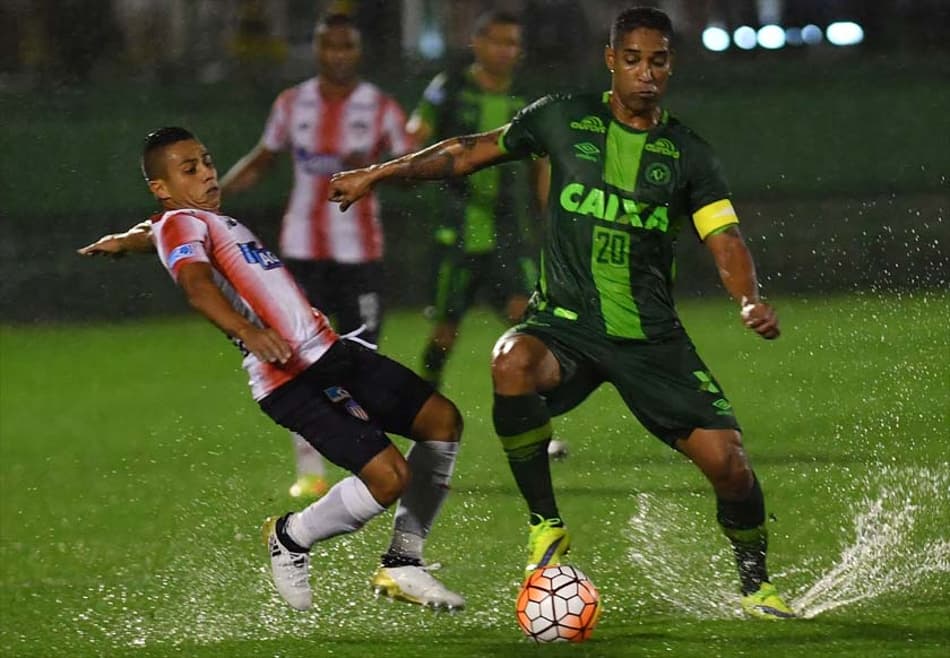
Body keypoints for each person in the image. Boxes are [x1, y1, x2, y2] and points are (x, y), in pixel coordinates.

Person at [328, 7, 795, 620]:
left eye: (657, 61)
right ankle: (545, 525)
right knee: (510, 360)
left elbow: (724, 238)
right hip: (565, 327)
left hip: (649, 339)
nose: (645, 73)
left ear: (670, 65)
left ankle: (756, 583)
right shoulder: (561, 116)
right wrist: (379, 173)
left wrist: (747, 298)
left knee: (729, 466)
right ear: (611, 61)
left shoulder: (688, 155)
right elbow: (467, 152)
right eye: (632, 59)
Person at [78, 127, 465, 612]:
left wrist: (123, 240)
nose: (208, 173)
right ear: (162, 187)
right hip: (290, 376)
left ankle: (404, 563)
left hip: (330, 352)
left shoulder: (190, 221)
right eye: (190, 169)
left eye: (207, 160)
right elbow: (196, 286)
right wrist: (248, 331)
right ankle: (292, 536)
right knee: (389, 479)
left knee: (441, 421)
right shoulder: (182, 223)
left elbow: (152, 232)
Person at [220, 13, 413, 499]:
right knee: (296, 359)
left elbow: (411, 163)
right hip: (301, 255)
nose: (339, 56)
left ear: (358, 52)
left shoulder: (381, 108)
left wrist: (380, 171)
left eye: (348, 47)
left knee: (361, 357)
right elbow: (263, 160)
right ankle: (310, 471)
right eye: (331, 47)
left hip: (360, 256)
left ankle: (366, 453)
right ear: (319, 50)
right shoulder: (292, 104)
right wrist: (210, 200)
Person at [408, 11, 567, 458]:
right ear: (477, 43)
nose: (507, 51)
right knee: (444, 335)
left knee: (529, 328)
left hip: (509, 236)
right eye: (498, 42)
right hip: (456, 236)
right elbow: (416, 136)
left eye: (514, 43)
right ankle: (422, 425)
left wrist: (549, 216)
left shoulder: (524, 99)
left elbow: (541, 162)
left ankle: (539, 431)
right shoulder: (449, 89)